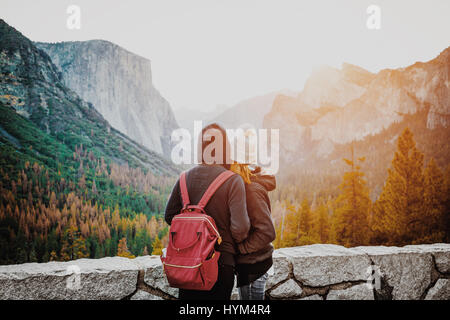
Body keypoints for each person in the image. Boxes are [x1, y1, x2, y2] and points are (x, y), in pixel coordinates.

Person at [165, 123, 251, 300]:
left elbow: (169, 216)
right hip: (220, 263)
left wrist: (193, 232)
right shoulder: (233, 180)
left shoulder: (184, 178)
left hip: (188, 263)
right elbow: (240, 229)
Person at [229, 163, 276, 300]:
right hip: (249, 263)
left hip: (255, 266)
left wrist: (241, 248)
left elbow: (267, 232)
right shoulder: (243, 187)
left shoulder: (251, 191)